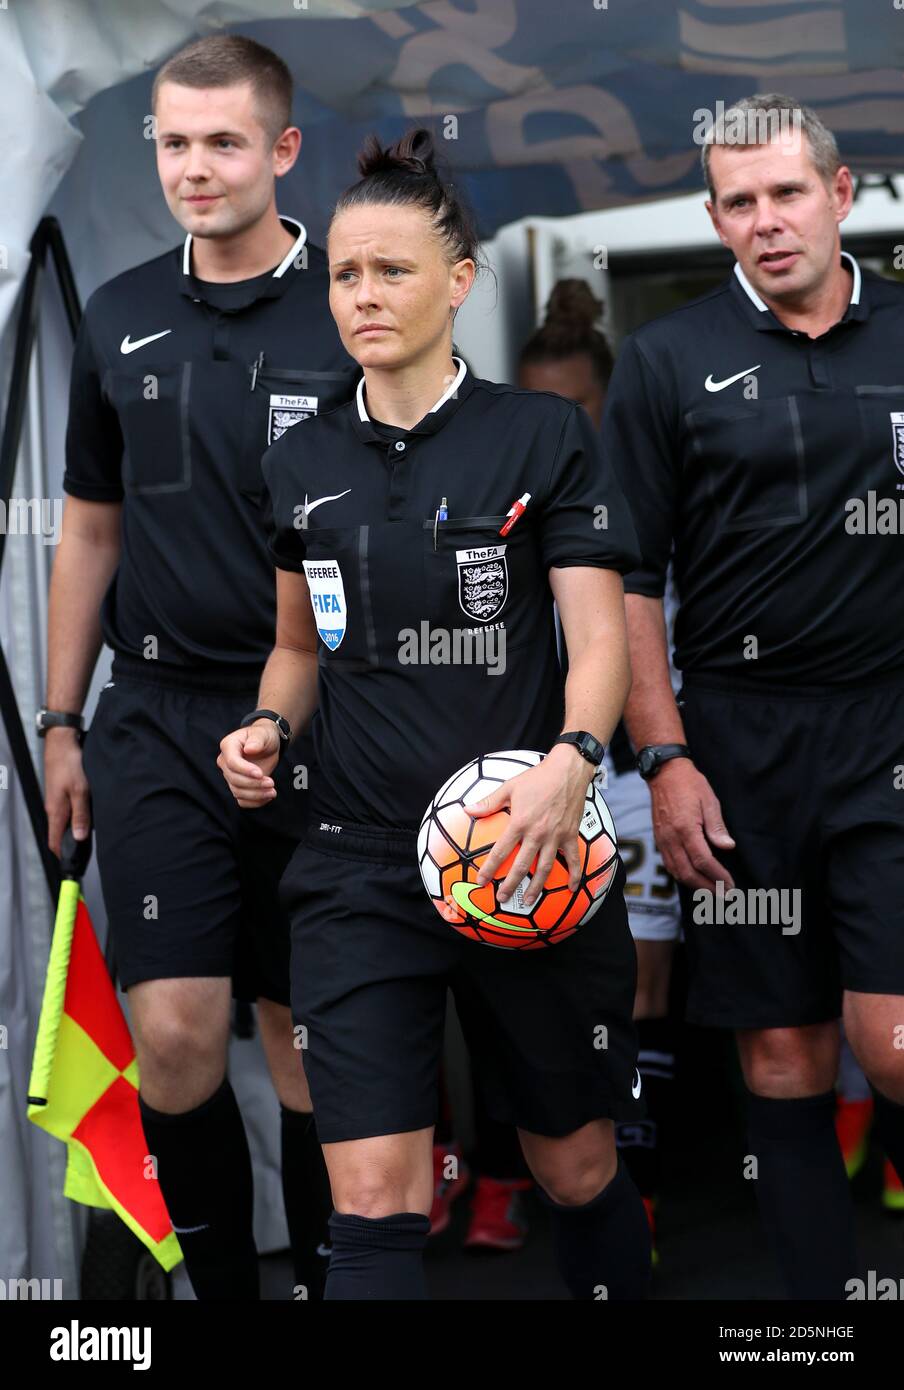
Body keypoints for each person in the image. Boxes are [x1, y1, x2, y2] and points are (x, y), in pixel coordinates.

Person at [218, 126, 651, 1301]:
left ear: (459, 280)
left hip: (524, 846)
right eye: (347, 272)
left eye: (393, 270)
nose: (363, 293)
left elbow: (599, 639)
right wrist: (264, 729)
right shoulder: (300, 461)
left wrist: (572, 761)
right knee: (372, 1197)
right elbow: (295, 650)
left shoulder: (541, 435)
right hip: (355, 864)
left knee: (573, 1165)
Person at [45, 34, 357, 1300]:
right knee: (172, 1037)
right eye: (173, 142)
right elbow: (90, 529)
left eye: (223, 141)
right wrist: (62, 717)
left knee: (306, 1047)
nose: (194, 165)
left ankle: (334, 1285)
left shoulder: (356, 296)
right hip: (158, 720)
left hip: (325, 724)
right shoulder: (117, 313)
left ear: (281, 151)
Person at [603, 92, 904, 1299]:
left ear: (840, 196)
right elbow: (625, 579)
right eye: (740, 202)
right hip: (732, 746)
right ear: (716, 220)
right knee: (780, 1055)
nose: (767, 221)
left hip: (888, 727)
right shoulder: (664, 361)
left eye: (787, 193)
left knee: (890, 1041)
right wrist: (665, 762)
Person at [519, 280, 681, 1261]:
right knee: (571, 990)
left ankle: (644, 1192)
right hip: (541, 779)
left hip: (638, 767)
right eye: (538, 403)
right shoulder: (498, 483)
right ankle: (568, 1186)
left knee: (646, 979)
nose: (555, 425)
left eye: (571, 406)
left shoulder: (645, 479)